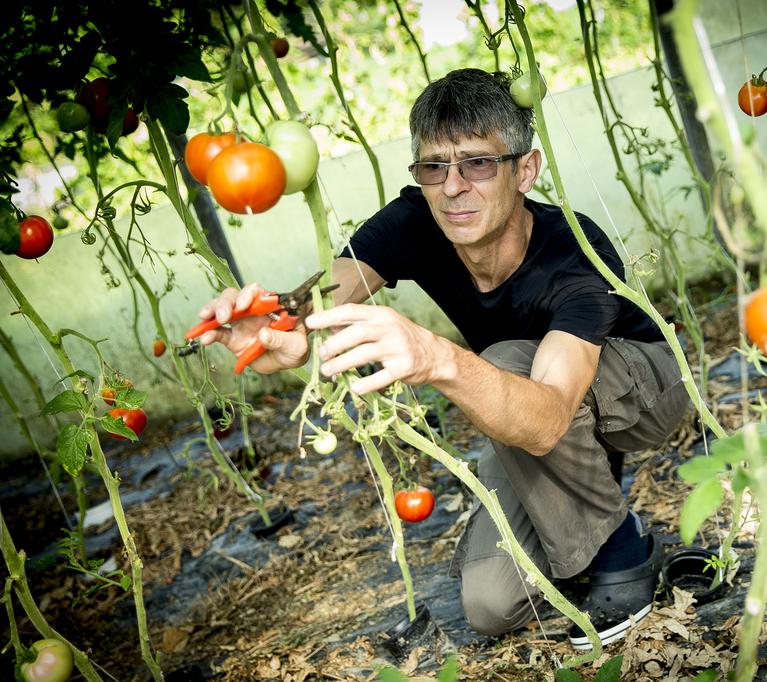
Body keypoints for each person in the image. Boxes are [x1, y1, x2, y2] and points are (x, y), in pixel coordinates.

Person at [194, 68, 692, 649]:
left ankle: (623, 548)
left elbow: (552, 413)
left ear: (524, 170)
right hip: (530, 408)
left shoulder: (575, 252)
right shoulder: (414, 221)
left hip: (644, 388)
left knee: (504, 361)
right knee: (489, 605)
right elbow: (325, 295)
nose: (453, 187)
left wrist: (437, 359)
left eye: (478, 163)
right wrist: (281, 324)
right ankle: (596, 512)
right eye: (435, 166)